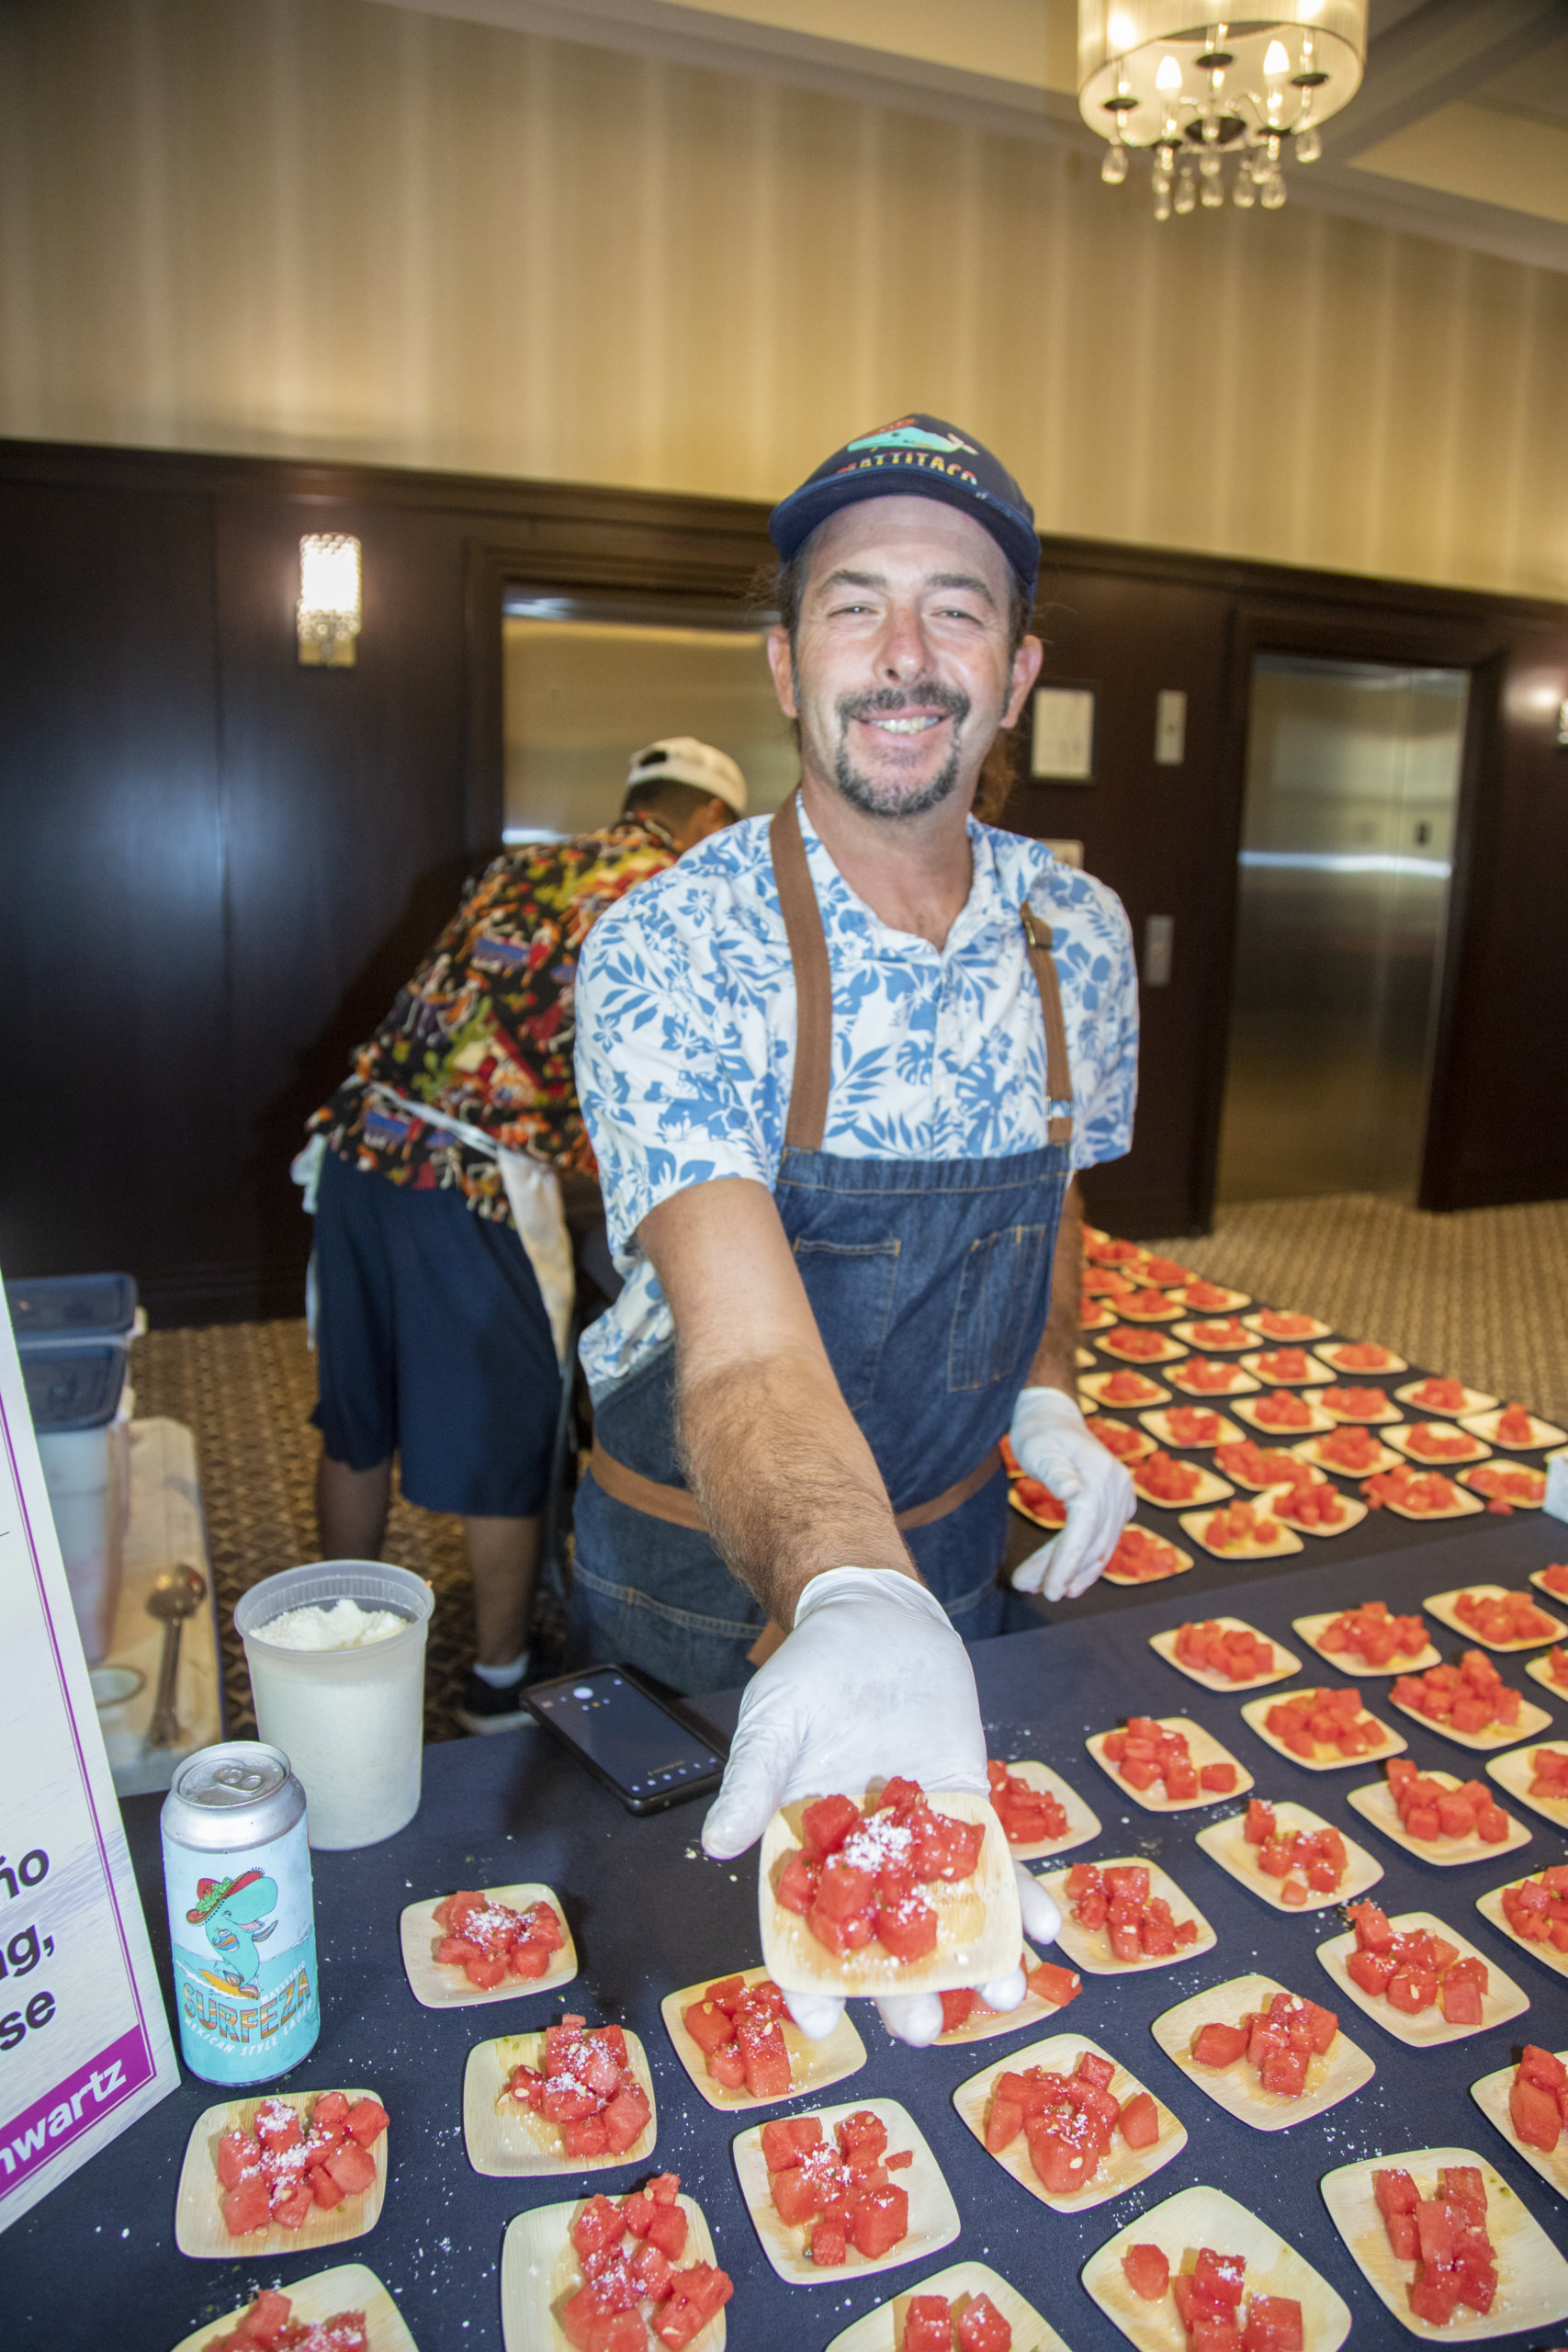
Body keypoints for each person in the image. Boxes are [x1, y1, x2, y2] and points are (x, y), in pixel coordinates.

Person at [571, 417, 1140, 2042]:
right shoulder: (669, 946)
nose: (904, 656)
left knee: (943, 2010)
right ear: (782, 658)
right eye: (853, 604)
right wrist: (847, 1588)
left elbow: (1054, 1195)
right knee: (706, 2015)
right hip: (702, 1567)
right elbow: (742, 1341)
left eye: (953, 607)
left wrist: (1048, 1390)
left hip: (959, 1547)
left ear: (1017, 670)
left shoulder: (1078, 933)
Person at [298, 737, 746, 1732]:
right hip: (465, 1178)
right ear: (710, 822)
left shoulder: (523, 863)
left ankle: (340, 1655)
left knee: (356, 1412)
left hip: (358, 1146)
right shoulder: (675, 894)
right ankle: (495, 1682)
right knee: (506, 1432)